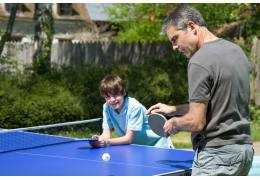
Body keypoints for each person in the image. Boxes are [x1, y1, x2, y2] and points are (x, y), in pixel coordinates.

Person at [147, 5, 254, 175]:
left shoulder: (199, 60)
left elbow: (196, 122)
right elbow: (218, 103)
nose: (174, 47)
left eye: (175, 39)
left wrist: (175, 123)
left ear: (191, 27)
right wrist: (173, 109)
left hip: (216, 155)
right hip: (244, 153)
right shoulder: (236, 52)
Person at [91, 74, 173, 149]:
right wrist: (99, 140)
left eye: (115, 95)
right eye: (107, 97)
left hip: (158, 145)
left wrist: (106, 142)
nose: (112, 100)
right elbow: (106, 134)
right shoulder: (106, 107)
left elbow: (128, 139)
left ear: (123, 92)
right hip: (137, 147)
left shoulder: (134, 107)